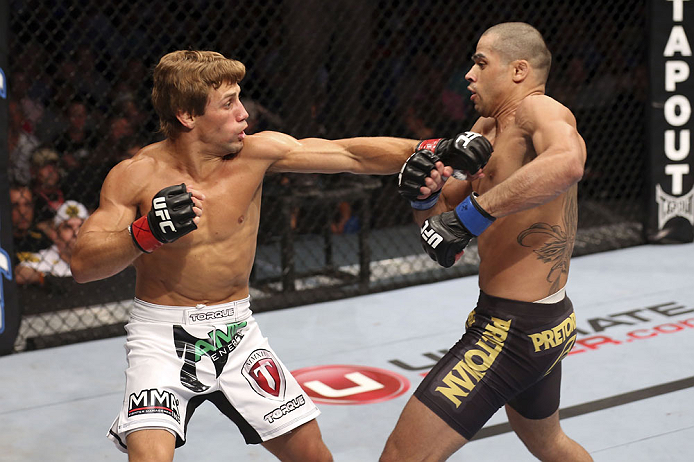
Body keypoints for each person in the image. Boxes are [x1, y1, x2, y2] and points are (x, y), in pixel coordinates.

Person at [69, 50, 489, 462]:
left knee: (314, 456)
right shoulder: (135, 174)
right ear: (187, 115)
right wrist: (145, 232)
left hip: (235, 333)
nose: (244, 114)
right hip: (161, 337)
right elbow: (84, 265)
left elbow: (349, 155)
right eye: (228, 103)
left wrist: (435, 147)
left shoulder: (255, 152)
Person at [382, 23, 592, 461]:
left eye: (480, 62)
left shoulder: (542, 110)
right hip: (542, 319)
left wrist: (472, 214)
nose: (468, 74)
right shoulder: (486, 127)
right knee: (548, 443)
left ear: (518, 70)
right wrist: (424, 197)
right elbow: (443, 241)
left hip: (512, 331)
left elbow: (569, 162)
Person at [15, 200, 88, 285]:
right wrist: (46, 278)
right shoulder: (45, 258)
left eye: (81, 226)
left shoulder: (97, 255)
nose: (76, 233)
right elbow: (18, 273)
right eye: (68, 227)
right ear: (56, 235)